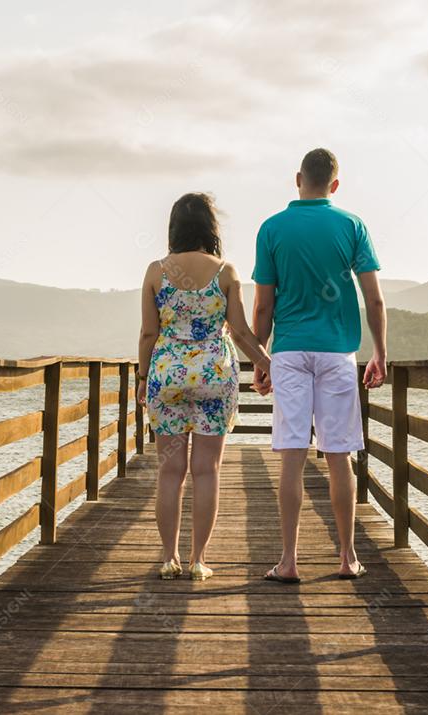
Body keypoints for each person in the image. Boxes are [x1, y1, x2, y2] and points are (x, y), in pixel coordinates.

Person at [252, 148, 387, 582]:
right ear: (335, 184)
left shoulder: (272, 228)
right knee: (338, 455)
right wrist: (380, 352)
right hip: (337, 351)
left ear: (297, 179)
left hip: (289, 350)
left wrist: (259, 356)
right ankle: (347, 557)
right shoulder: (352, 225)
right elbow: (374, 299)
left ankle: (289, 560)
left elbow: (263, 305)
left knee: (292, 455)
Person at [137, 192, 271, 582]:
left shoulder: (155, 272)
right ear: (210, 228)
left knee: (169, 471)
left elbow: (148, 333)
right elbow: (243, 333)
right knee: (206, 470)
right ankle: (198, 560)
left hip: (168, 375)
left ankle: (168, 558)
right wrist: (267, 365)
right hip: (214, 374)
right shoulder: (225, 272)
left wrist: (143, 378)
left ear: (174, 228)